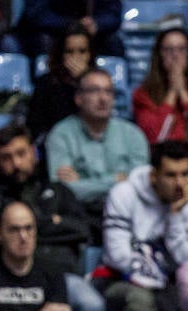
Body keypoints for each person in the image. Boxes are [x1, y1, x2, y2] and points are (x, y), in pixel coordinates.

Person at [0, 123, 103, 311]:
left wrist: (37, 226)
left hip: (60, 276)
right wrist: (54, 222)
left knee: (91, 303)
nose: (16, 163)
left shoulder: (59, 191)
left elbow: (82, 231)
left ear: (34, 153)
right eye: (6, 157)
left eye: (21, 154)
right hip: (8, 277)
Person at [101, 140, 188, 311]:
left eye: (185, 174)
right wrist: (150, 275)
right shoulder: (123, 194)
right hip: (120, 278)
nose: (180, 183)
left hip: (170, 283)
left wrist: (175, 216)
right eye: (171, 175)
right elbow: (117, 256)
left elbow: (186, 260)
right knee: (142, 300)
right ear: (153, 176)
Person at [45, 67, 149, 210]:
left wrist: (82, 182)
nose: (103, 98)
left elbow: (139, 185)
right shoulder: (60, 135)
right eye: (94, 91)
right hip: (78, 213)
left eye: (108, 91)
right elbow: (62, 190)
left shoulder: (133, 134)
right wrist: (116, 180)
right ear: (78, 99)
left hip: (126, 211)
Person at [131, 30, 188, 144]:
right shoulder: (143, 94)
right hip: (162, 156)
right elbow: (155, 138)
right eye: (169, 49)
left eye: (181, 49)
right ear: (159, 55)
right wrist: (173, 92)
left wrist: (183, 92)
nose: (175, 55)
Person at [27, 29, 93, 141]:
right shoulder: (46, 83)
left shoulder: (98, 84)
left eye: (82, 51)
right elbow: (34, 126)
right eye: (69, 51)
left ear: (90, 54)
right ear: (60, 54)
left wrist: (84, 80)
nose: (76, 57)